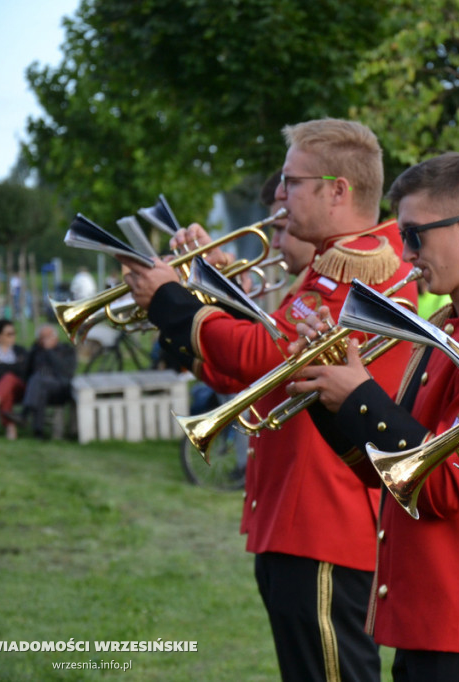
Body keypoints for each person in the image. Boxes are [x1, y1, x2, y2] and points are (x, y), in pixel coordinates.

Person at [119, 119, 418, 682]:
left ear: (337, 190)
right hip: (300, 513)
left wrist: (170, 299)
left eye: (291, 181)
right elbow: (262, 371)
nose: (279, 195)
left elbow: (263, 353)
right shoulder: (332, 267)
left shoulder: (355, 269)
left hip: (326, 518)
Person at [287, 152, 459, 681]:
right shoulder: (452, 324)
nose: (406, 256)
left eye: (415, 236)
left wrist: (360, 395)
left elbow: (448, 485)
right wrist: (327, 389)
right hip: (428, 620)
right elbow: (386, 473)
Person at [22, 324, 76, 439]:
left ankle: (25, 413)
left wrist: (50, 352)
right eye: (42, 338)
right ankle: (38, 433)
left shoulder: (66, 350)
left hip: (60, 387)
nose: (45, 340)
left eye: (48, 337)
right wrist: (35, 350)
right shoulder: (36, 351)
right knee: (40, 385)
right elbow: (26, 372)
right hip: (39, 388)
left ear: (55, 337)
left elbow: (65, 372)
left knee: (38, 379)